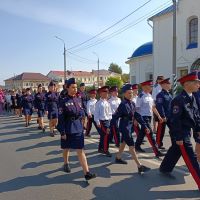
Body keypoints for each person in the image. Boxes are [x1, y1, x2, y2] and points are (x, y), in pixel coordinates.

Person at [160, 72, 200, 190]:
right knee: (191, 158)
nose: (199, 84)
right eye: (196, 82)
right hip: (180, 131)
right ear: (187, 84)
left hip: (187, 130)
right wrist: (178, 137)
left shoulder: (192, 97)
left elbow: (196, 116)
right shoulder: (179, 100)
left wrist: (198, 130)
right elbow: (175, 120)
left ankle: (165, 168)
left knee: (176, 150)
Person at [57, 78, 96, 181]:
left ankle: (86, 173)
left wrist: (84, 122)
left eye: (76, 87)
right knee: (66, 148)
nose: (75, 89)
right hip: (68, 128)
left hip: (78, 127)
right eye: (73, 87)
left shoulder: (78, 99)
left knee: (80, 150)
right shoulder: (63, 101)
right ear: (67, 88)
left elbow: (82, 112)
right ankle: (66, 163)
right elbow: (60, 118)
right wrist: (62, 132)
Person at [113, 84, 151, 173]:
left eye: (132, 93)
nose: (131, 95)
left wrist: (145, 126)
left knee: (123, 142)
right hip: (125, 127)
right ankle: (139, 166)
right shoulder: (122, 104)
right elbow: (115, 117)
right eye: (129, 93)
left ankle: (118, 158)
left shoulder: (132, 103)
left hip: (129, 126)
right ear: (124, 94)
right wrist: (112, 128)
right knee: (132, 146)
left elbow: (137, 115)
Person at [135, 80, 165, 158]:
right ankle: (157, 151)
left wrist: (158, 116)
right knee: (150, 133)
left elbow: (153, 107)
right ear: (144, 87)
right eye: (150, 86)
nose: (151, 87)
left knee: (142, 133)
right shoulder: (140, 96)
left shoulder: (150, 96)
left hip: (149, 117)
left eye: (151, 86)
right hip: (143, 117)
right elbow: (137, 109)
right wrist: (135, 119)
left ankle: (137, 146)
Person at [94, 86, 112, 157]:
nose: (106, 94)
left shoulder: (107, 102)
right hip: (102, 121)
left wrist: (110, 120)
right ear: (101, 94)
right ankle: (105, 149)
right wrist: (97, 122)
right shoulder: (98, 103)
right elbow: (96, 114)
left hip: (107, 121)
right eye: (104, 93)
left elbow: (109, 112)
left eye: (107, 93)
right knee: (106, 136)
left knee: (103, 136)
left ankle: (100, 148)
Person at [155, 78, 173, 149]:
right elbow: (159, 106)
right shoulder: (160, 95)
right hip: (164, 116)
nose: (170, 85)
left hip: (170, 116)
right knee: (161, 131)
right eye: (169, 83)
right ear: (164, 85)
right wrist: (162, 116)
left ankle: (174, 144)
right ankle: (158, 144)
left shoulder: (169, 94)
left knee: (173, 130)